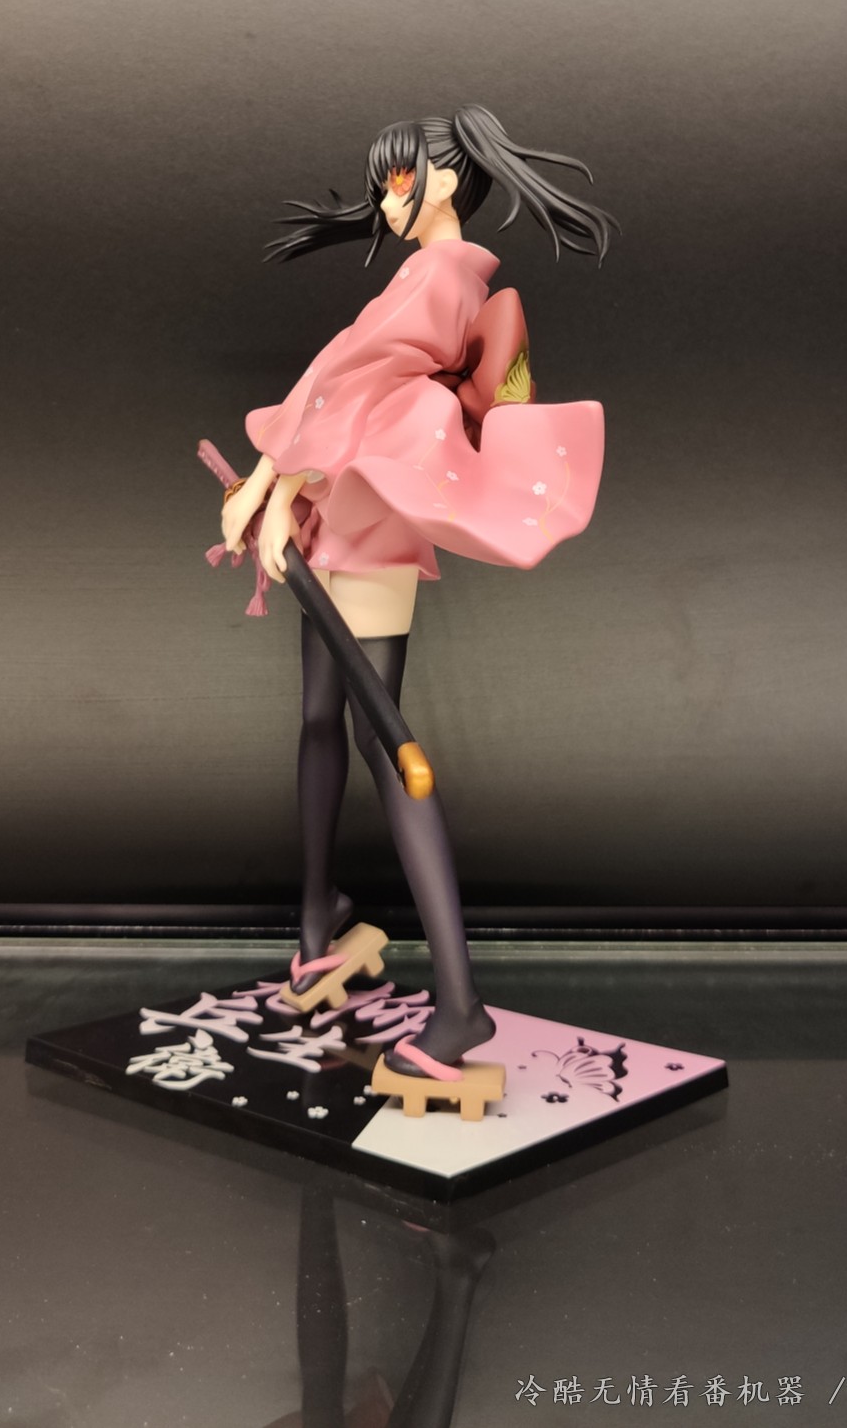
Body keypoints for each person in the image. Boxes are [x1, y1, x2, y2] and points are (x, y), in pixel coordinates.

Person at [218, 105, 615, 1088]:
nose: (386, 200)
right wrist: (275, 486)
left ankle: (461, 1003)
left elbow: (358, 385)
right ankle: (317, 927)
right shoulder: (424, 274)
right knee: (322, 716)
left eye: (397, 180)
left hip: (368, 524)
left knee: (381, 739)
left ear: (441, 178)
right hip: (335, 513)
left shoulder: (444, 275)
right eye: (381, 185)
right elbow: (342, 379)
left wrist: (275, 481)